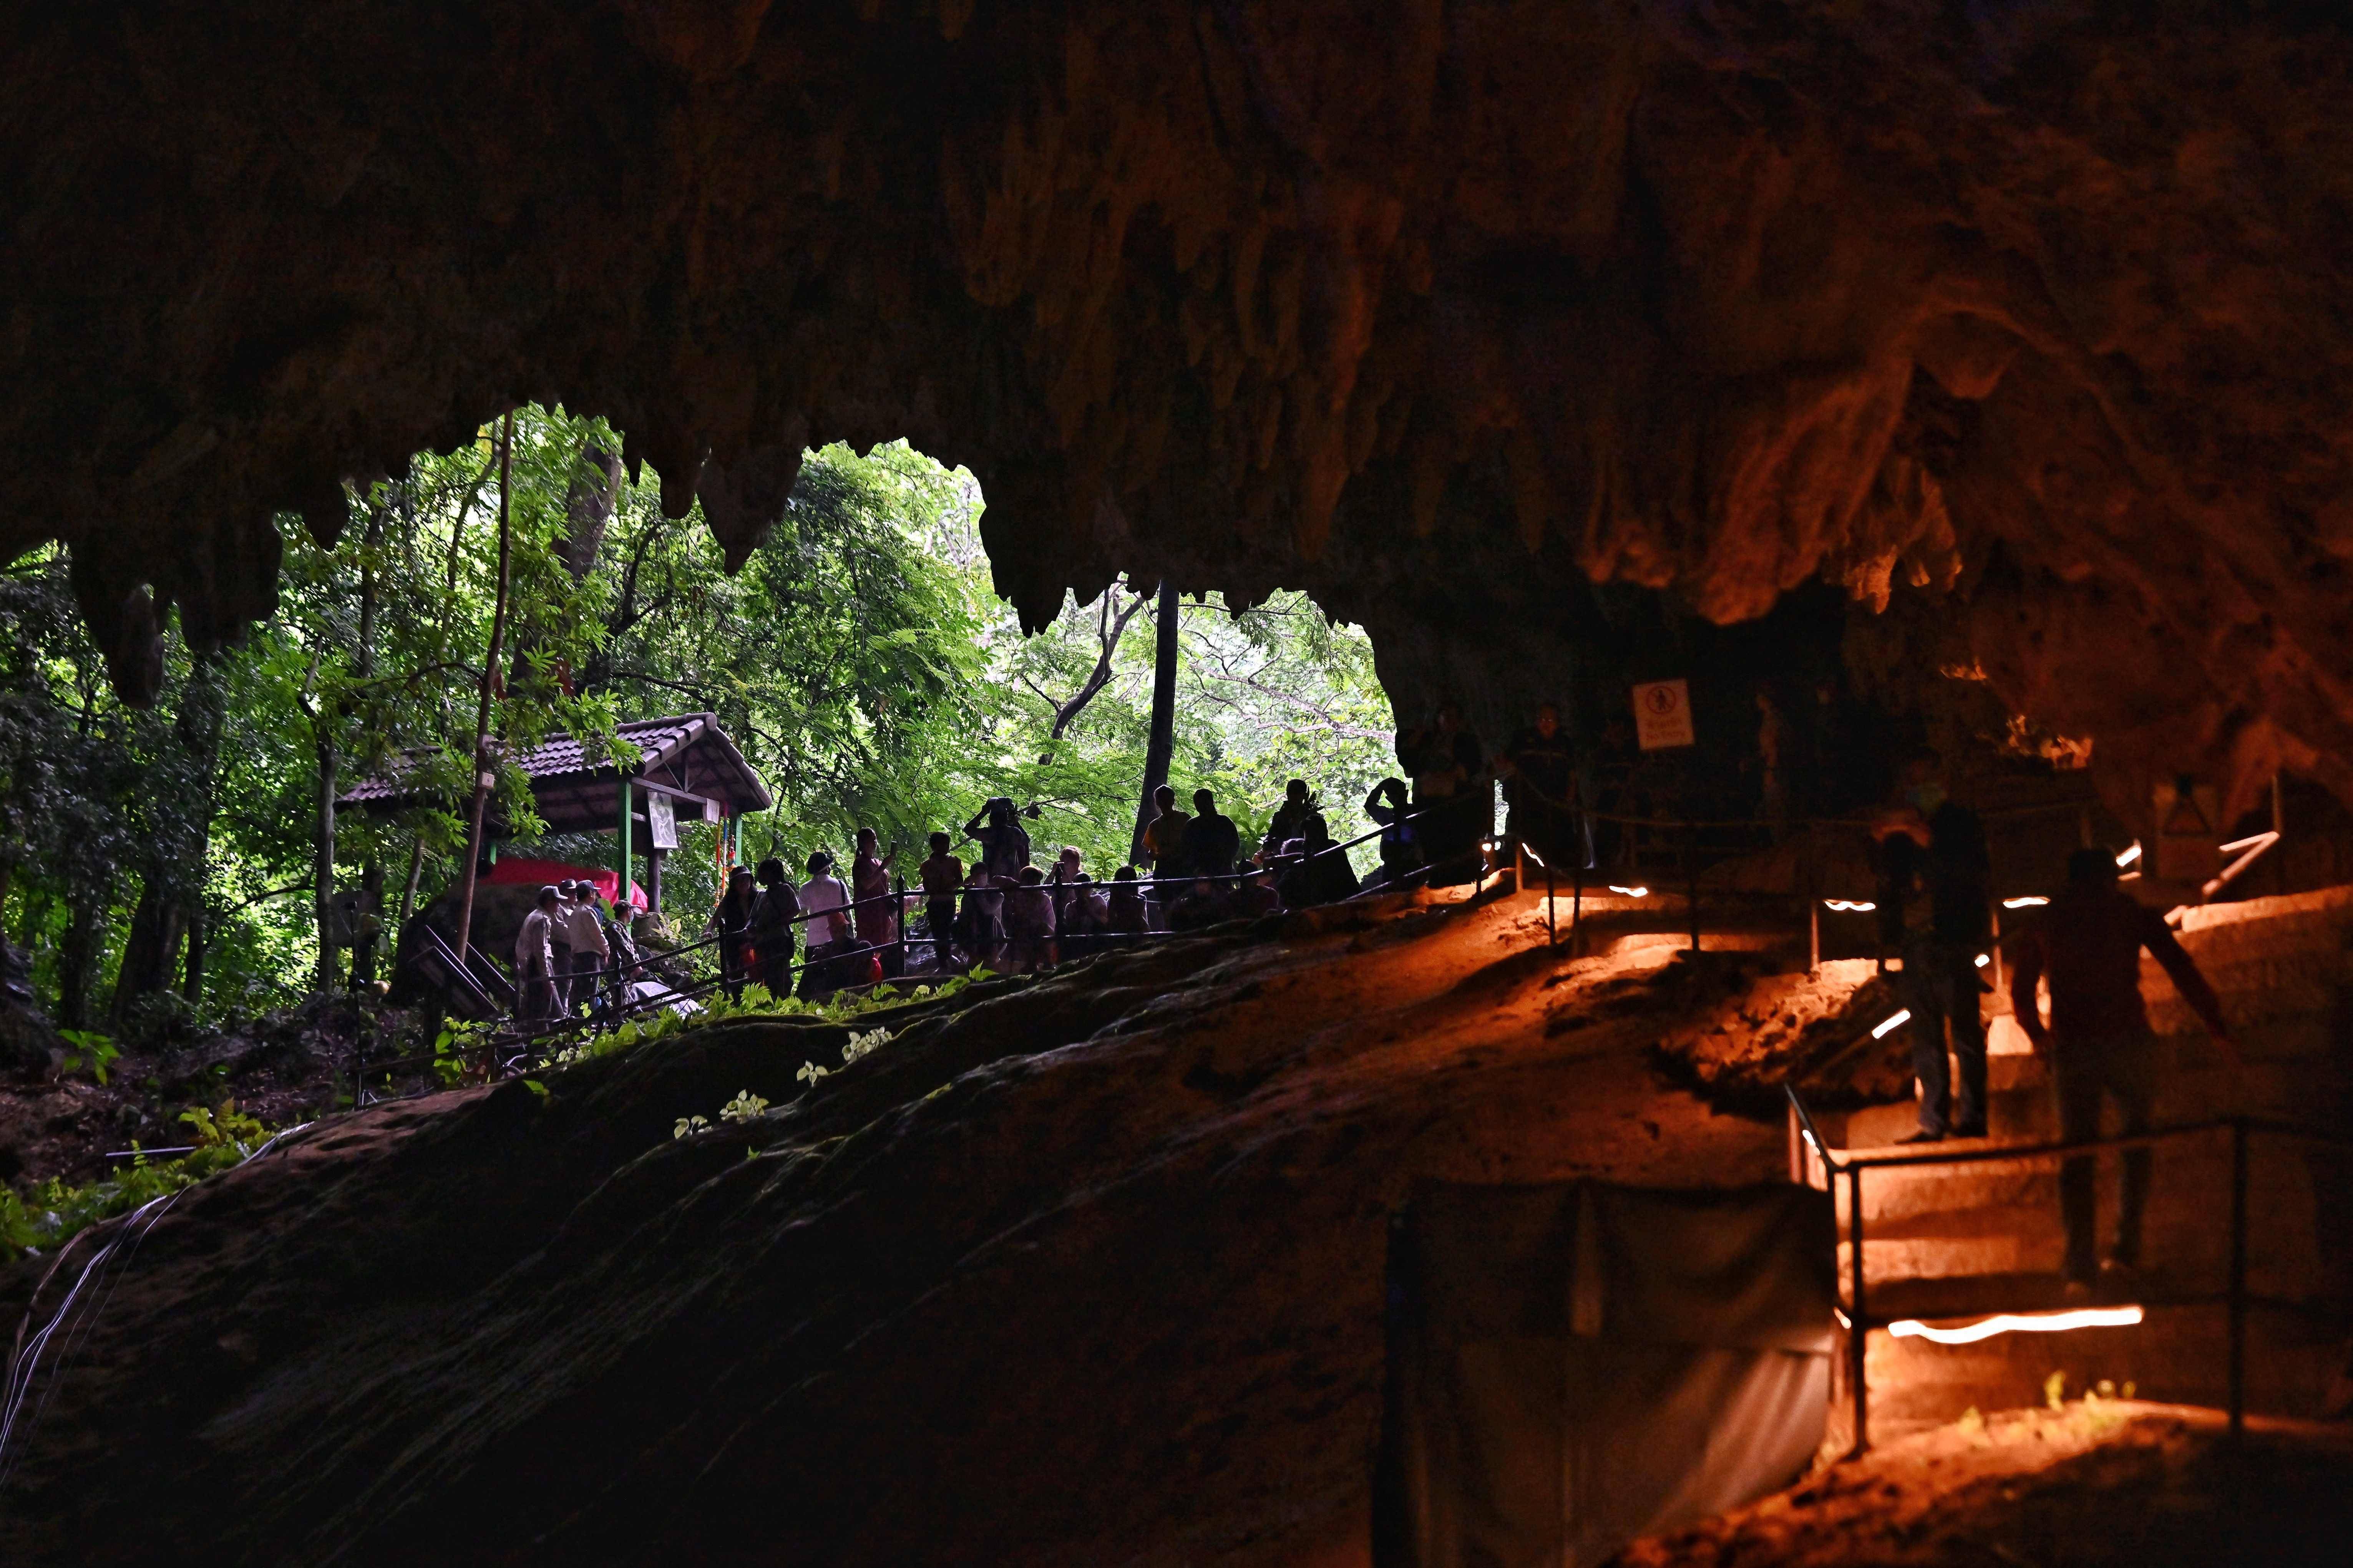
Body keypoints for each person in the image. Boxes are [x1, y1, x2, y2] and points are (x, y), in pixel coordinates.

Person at [2010, 847, 2238, 1291]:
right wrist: (2216, 1024)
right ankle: (2125, 1250)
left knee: (2077, 1156)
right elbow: (2179, 966)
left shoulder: (2049, 917)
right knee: (2136, 1143)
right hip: (2127, 1039)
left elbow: (2021, 990)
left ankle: (2079, 1265)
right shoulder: (2126, 910)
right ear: (2110, 878)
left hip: (2074, 1045)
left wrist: (2039, 1039)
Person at [1871, 749, 1993, 1142]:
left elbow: (1969, 871)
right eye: (1913, 779)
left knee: (1964, 1034)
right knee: (1925, 1037)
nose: (1918, 787)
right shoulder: (1901, 833)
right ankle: (1933, 1121)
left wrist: (1927, 841)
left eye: (1925, 778)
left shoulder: (1960, 823)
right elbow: (1885, 871)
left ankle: (1972, 1118)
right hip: (1914, 942)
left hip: (1951, 939)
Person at [1500, 701, 1578, 871]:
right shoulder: (1523, 740)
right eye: (1542, 719)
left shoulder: (1564, 744)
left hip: (1556, 805)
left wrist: (1569, 799)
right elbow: (1505, 763)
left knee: (1558, 847)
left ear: (1558, 723)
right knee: (1527, 844)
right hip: (1527, 806)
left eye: (1550, 720)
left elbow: (1572, 775)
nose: (1545, 724)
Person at [798, 851, 851, 996]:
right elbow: (848, 911)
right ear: (828, 868)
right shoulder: (840, 885)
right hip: (837, 938)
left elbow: (802, 915)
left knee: (813, 978)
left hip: (814, 940)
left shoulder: (806, 888)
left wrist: (808, 928)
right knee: (838, 976)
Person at [560, 880, 613, 1019]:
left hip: (577, 957)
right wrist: (607, 950)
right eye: (594, 893)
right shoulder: (587, 913)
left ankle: (577, 1023)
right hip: (590, 958)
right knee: (590, 994)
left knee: (578, 992)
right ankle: (584, 1024)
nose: (595, 895)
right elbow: (597, 935)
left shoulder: (574, 913)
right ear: (590, 894)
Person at [750, 857, 800, 1000]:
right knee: (767, 974)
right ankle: (772, 1001)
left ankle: (783, 1000)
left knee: (781, 973)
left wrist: (778, 923)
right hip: (763, 941)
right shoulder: (762, 895)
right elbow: (753, 918)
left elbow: (796, 909)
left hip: (779, 939)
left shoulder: (785, 889)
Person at [852, 828, 899, 977]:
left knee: (882, 945)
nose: (875, 842)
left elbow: (884, 886)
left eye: (875, 839)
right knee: (870, 946)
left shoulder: (877, 862)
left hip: (882, 911)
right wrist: (883, 866)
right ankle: (870, 978)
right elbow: (867, 884)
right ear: (863, 843)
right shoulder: (860, 863)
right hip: (868, 912)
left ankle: (880, 976)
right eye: (871, 840)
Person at [514, 885, 562, 1024]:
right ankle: (541, 1043)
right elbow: (540, 951)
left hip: (531, 966)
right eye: (557, 902)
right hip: (538, 967)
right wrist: (546, 978)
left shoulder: (534, 916)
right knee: (551, 1011)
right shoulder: (542, 921)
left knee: (538, 1010)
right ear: (549, 902)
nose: (559, 905)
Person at [1363, 777, 1421, 888]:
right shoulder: (1387, 816)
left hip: (1411, 863)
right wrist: (1381, 786)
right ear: (1389, 799)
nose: (1397, 798)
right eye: (1394, 795)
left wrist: (1381, 787)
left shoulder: (1415, 812)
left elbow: (1370, 805)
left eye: (1398, 794)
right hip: (1391, 866)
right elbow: (1369, 805)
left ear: (1406, 793)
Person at [919, 831, 964, 970]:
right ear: (935, 846)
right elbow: (926, 884)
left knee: (946, 930)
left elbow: (960, 881)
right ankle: (942, 962)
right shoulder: (927, 865)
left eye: (947, 845)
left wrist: (949, 888)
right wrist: (934, 890)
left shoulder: (954, 862)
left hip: (948, 901)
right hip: (935, 902)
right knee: (937, 932)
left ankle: (947, 958)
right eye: (943, 844)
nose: (946, 847)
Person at [712, 866, 758, 1003]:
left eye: (746, 879)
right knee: (736, 972)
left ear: (751, 881)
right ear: (734, 884)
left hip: (756, 939)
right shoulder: (729, 901)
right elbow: (717, 916)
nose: (743, 883)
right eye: (740, 880)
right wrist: (709, 930)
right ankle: (738, 1002)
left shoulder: (758, 897)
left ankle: (756, 1002)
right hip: (735, 942)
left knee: (757, 971)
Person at [963, 797, 1033, 882]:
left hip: (992, 880)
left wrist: (983, 813)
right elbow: (1025, 841)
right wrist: (1015, 821)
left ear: (991, 819)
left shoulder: (988, 833)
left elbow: (968, 830)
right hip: (1012, 879)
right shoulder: (1013, 832)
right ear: (1006, 818)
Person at [1004, 865, 1059, 972]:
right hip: (1027, 929)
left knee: (1038, 929)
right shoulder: (1021, 896)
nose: (1035, 884)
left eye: (1036, 881)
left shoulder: (1043, 898)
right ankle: (1030, 963)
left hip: (1044, 932)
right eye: (1031, 881)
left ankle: (1044, 962)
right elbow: (997, 879)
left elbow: (1045, 924)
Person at [1181, 787, 1241, 880]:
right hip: (1209, 872)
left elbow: (1185, 849)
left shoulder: (1192, 825)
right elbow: (1234, 846)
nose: (1201, 805)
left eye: (1203, 802)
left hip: (1210, 871)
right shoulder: (1224, 822)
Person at [1259, 779, 1318, 863]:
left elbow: (1316, 843)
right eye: (1291, 792)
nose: (1294, 796)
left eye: (1297, 792)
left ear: (1304, 795)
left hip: (1306, 860)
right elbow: (1271, 838)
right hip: (1283, 861)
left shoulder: (1311, 818)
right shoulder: (1279, 817)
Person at [1139, 784, 1191, 878]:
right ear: (1173, 801)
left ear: (1157, 803)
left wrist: (1159, 855)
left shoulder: (1155, 825)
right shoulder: (1184, 818)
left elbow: (1149, 853)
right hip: (1179, 870)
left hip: (1167, 870)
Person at [1107, 866, 1149, 937]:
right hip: (1121, 934)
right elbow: (1111, 921)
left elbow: (1143, 924)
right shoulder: (1114, 900)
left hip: (1136, 932)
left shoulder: (1140, 899)